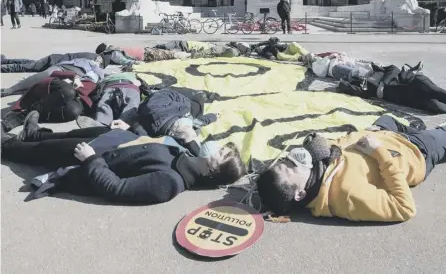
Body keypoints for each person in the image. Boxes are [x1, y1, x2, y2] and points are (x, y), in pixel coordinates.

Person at [1, 113, 247, 205]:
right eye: (224, 148)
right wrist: (132, 129)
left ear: (213, 171)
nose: (216, 147)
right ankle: (32, 133)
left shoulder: (170, 183)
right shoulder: (192, 158)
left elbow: (117, 189)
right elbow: (152, 145)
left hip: (94, 157)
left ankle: (6, 144)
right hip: (114, 138)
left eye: (221, 153)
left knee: (41, 151)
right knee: (63, 135)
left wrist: (90, 160)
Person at [256, 114, 446, 222]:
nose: (292, 159)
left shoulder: (318, 168)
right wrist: (380, 152)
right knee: (439, 134)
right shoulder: (348, 196)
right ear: (300, 194)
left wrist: (370, 134)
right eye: (290, 167)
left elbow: (343, 145)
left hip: (385, 133)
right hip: (415, 151)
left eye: (285, 160)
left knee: (387, 118)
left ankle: (413, 127)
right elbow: (404, 208)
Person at [1, 74, 95, 131]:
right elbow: (54, 72)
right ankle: (22, 116)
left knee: (73, 111)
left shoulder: (99, 84)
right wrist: (74, 76)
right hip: (61, 87)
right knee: (68, 91)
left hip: (77, 99)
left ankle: (30, 117)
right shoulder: (81, 67)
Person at [1, 57, 104, 97]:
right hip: (61, 67)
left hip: (74, 77)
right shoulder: (84, 59)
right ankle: (11, 89)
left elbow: (94, 82)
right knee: (47, 73)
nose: (98, 60)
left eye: (100, 60)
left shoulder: (99, 71)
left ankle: (22, 90)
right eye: (97, 58)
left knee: (58, 86)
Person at [1, 51, 101, 73]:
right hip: (54, 62)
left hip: (54, 58)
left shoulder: (91, 55)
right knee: (25, 67)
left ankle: (4, 61)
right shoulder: (91, 61)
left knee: (29, 63)